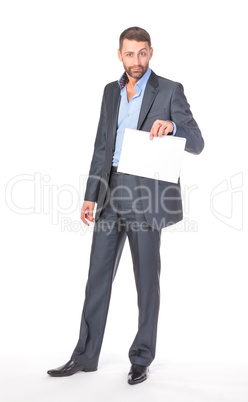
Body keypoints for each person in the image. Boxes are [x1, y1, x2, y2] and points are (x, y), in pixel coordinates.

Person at [47, 26, 204, 385]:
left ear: (152, 52)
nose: (137, 61)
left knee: (146, 281)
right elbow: (102, 146)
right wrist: (91, 194)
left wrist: (174, 128)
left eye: (143, 53)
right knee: (96, 278)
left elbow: (197, 142)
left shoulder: (169, 90)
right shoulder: (110, 92)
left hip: (147, 195)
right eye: (130, 54)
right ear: (119, 54)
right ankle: (85, 355)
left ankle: (141, 357)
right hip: (110, 191)